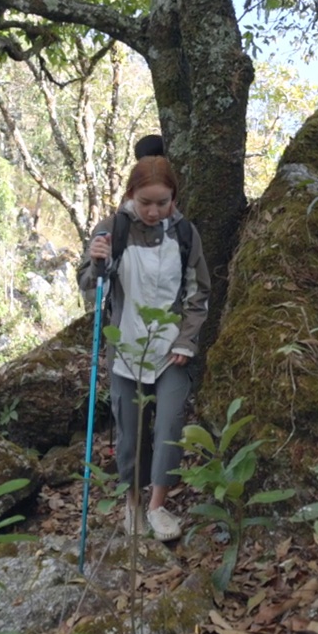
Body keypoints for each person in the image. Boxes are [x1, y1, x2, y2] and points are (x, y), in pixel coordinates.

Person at [77, 155, 210, 542]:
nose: (153, 211)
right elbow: (87, 280)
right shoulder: (112, 228)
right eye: (145, 201)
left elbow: (198, 292)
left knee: (169, 424)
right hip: (126, 348)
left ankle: (158, 506)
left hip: (172, 350)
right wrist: (98, 263)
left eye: (162, 202)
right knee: (131, 430)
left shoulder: (185, 234)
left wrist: (187, 338)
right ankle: (132, 502)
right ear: (131, 194)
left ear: (174, 198)